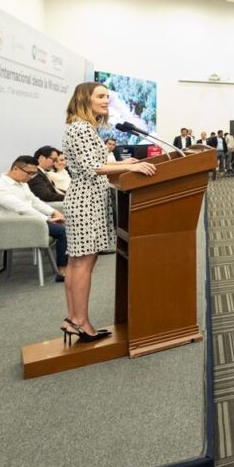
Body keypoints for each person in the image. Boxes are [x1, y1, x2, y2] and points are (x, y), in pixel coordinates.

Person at [61, 82, 156, 342]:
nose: (106, 101)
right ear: (85, 99)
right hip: (86, 200)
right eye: (101, 96)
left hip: (85, 198)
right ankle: (80, 321)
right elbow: (93, 167)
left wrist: (124, 163)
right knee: (83, 263)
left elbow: (94, 163)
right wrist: (130, 168)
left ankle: (73, 319)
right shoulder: (81, 128)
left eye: (107, 96)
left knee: (76, 263)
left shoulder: (81, 126)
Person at [0, 156, 70, 283]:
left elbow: (35, 202)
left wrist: (53, 212)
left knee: (66, 225)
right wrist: (46, 219)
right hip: (13, 226)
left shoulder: (22, 183)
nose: (30, 177)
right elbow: (21, 208)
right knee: (62, 231)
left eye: (33, 174)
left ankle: (71, 264)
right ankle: (62, 271)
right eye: (29, 173)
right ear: (15, 169)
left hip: (29, 222)